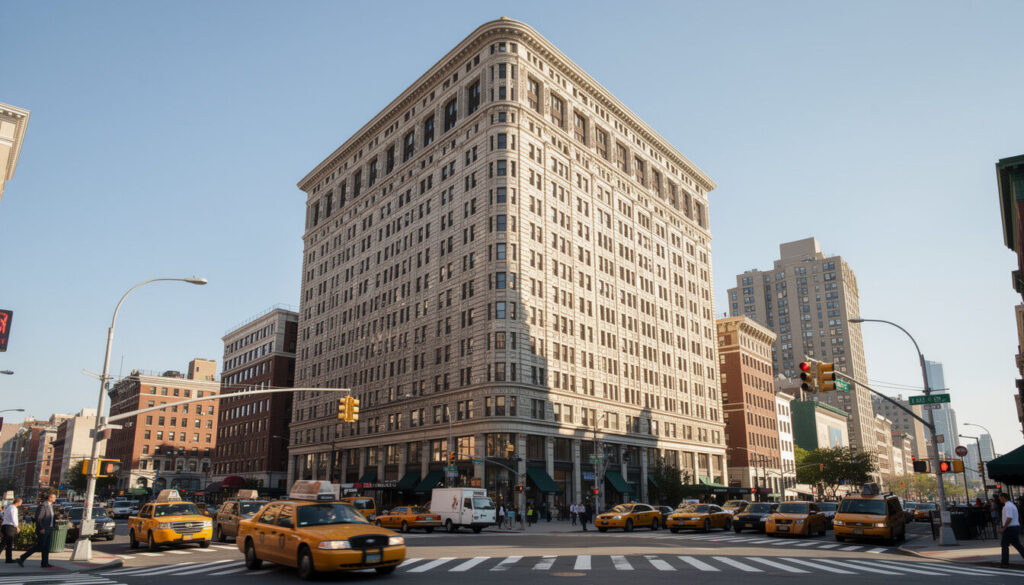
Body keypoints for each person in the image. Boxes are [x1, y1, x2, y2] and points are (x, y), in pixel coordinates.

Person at [18, 493, 56, 568]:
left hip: (49, 528)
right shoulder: (43, 506)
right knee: (40, 546)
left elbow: (50, 517)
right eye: (54, 497)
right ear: (50, 498)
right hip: (43, 529)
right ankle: (22, 557)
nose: (55, 499)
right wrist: (41, 528)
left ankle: (45, 563)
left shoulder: (50, 506)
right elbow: (38, 518)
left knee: (46, 547)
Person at [998, 492, 1024, 568]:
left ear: (1003, 497)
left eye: (1000, 498)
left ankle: (1004, 563)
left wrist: (1004, 527)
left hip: (1010, 528)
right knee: (1017, 544)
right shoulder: (1012, 505)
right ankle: (1004, 563)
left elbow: (1009, 518)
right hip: (1015, 526)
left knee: (1004, 545)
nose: (999, 499)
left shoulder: (1007, 506)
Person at [1, 498, 21, 563]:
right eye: (21, 502)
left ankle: (9, 559)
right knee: (5, 543)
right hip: (10, 527)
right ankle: (8, 559)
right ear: (18, 502)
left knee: (8, 543)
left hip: (5, 525)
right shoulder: (14, 508)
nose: (21, 504)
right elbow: (14, 518)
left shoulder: (8, 507)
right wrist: (17, 526)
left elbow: (3, 516)